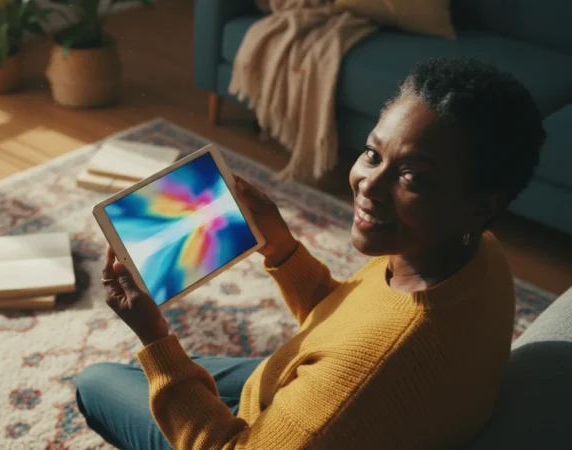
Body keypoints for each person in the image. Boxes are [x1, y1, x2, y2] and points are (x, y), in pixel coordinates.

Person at [75, 57, 546, 449]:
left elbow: (363, 358)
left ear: (479, 203)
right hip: (320, 402)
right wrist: (283, 251)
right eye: (373, 154)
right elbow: (351, 320)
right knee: (182, 372)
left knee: (98, 381)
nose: (369, 187)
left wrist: (155, 337)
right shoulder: (474, 252)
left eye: (414, 178)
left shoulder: (370, 373)